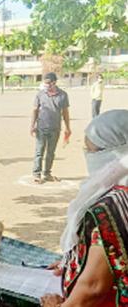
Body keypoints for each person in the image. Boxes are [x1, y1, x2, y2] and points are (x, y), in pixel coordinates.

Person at [41, 109, 128, 307]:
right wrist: (76, 261)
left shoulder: (113, 205)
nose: (88, 156)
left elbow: (93, 289)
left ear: (117, 152)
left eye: (92, 151)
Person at [30, 72, 71, 184]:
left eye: (48, 83)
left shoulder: (63, 95)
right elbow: (35, 110)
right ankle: (37, 174)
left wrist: (68, 127)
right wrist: (32, 125)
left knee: (51, 153)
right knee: (39, 151)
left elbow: (65, 112)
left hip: (55, 128)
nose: (46, 85)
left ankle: (47, 173)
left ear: (54, 83)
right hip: (41, 128)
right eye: (45, 83)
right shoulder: (40, 94)